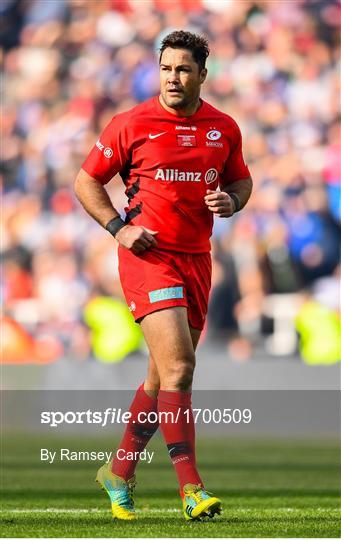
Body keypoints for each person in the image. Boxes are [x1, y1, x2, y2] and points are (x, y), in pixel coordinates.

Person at [74, 30, 252, 522]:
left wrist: (232, 200)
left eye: (183, 70)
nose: (173, 78)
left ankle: (119, 472)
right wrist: (118, 228)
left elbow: (241, 178)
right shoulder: (131, 123)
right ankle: (192, 489)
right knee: (179, 370)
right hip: (149, 257)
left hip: (198, 258)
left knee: (161, 377)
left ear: (201, 75)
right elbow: (86, 179)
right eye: (166, 68)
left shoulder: (224, 127)